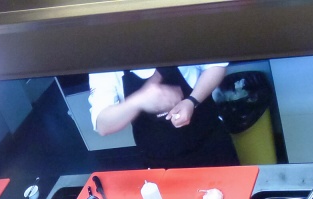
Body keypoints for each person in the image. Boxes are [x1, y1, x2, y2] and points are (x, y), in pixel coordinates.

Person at [88, 64, 239, 169]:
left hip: (212, 146)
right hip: (160, 164)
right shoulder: (105, 64)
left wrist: (192, 101)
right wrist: (139, 100)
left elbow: (216, 66)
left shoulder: (175, 33)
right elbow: (103, 125)